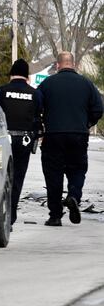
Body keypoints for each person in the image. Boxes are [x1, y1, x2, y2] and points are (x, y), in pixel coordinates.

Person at [37, 52, 103, 226]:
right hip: (78, 135)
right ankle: (73, 195)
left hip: (53, 135)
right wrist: (87, 123)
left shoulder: (47, 84)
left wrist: (41, 123)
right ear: (74, 64)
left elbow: (36, 105)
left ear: (58, 65)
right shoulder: (87, 84)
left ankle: (55, 215)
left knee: (53, 174)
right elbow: (98, 108)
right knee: (78, 169)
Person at [0, 59, 43, 226]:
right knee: (17, 178)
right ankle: (11, 214)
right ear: (27, 76)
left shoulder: (1, 92)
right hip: (24, 139)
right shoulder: (35, 94)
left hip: (3, 140)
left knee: (0, 177)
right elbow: (39, 116)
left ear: (11, 74)